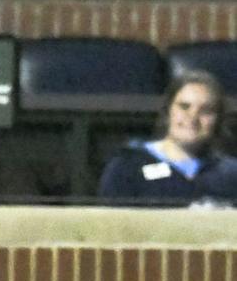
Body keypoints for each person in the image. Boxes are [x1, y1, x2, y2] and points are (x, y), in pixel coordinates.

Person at [98, 72, 237, 206]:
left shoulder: (231, 174)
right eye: (184, 107)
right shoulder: (127, 167)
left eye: (206, 110)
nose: (193, 117)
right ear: (168, 111)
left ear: (218, 119)